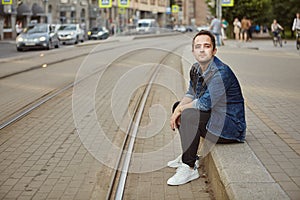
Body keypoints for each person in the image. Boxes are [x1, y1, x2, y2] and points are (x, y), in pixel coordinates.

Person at [167, 30, 246, 186]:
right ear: (193, 51)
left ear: (214, 50)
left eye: (207, 46)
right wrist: (178, 109)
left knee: (188, 114)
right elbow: (191, 93)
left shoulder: (221, 73)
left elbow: (204, 104)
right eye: (198, 46)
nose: (202, 49)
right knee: (179, 106)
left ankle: (189, 167)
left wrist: (180, 111)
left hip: (230, 127)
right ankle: (187, 154)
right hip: (216, 117)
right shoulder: (196, 68)